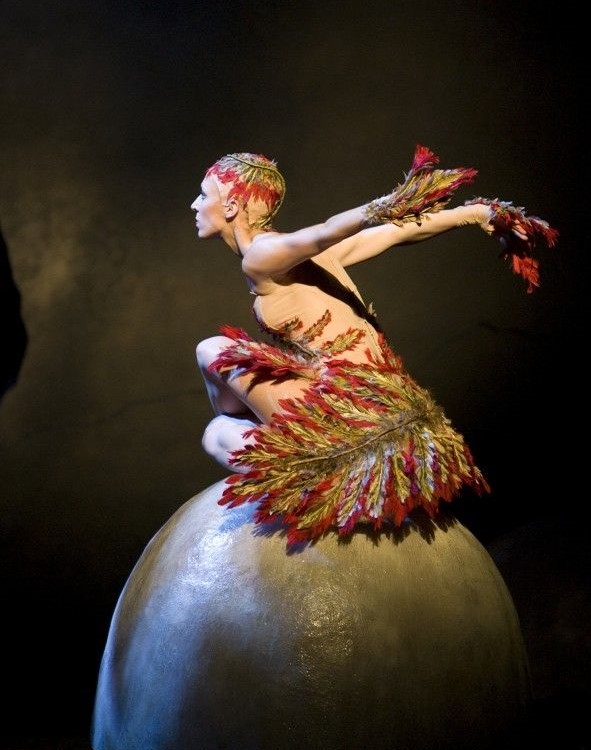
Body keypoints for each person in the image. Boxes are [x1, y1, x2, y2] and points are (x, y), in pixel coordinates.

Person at [191, 148, 556, 546]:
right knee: (221, 425)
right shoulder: (314, 258)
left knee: (212, 372)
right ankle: (294, 455)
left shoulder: (262, 255)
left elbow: (328, 229)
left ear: (230, 205)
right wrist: (475, 214)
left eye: (203, 194)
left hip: (349, 414)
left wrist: (385, 205)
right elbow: (396, 233)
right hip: (392, 415)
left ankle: (309, 473)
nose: (195, 204)